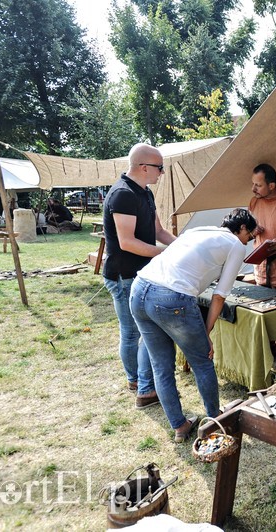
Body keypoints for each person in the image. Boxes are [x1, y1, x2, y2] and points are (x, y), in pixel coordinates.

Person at [129, 209, 257, 442]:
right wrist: (205, 334)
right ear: (243, 229)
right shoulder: (236, 244)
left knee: (160, 366)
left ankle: (180, 427)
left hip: (140, 288)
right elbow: (219, 296)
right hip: (171, 296)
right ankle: (215, 418)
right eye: (250, 236)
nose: (249, 241)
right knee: (202, 361)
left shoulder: (198, 231)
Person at [102, 142, 176, 409]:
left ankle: (142, 381)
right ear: (144, 167)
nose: (162, 173)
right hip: (123, 275)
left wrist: (181, 246)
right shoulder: (122, 195)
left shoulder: (145, 192)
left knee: (145, 331)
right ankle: (136, 381)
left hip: (141, 273)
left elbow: (158, 231)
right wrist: (163, 254)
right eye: (160, 168)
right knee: (132, 332)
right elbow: (127, 242)